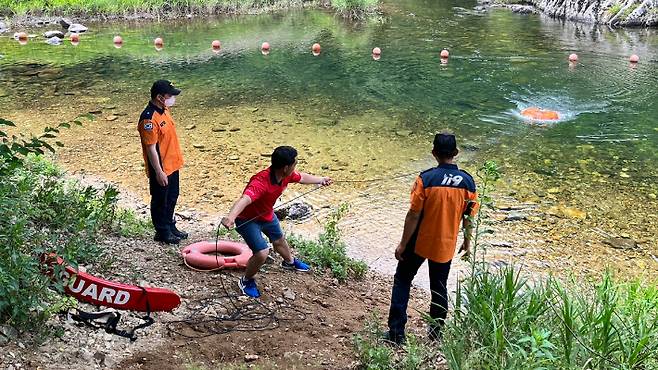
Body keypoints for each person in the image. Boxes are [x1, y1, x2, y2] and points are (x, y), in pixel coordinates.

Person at [384, 133, 478, 344]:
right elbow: (469, 217)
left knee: (402, 281)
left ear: (434, 153)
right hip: (445, 244)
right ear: (456, 153)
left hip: (419, 242)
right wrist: (467, 241)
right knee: (439, 287)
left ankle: (396, 334)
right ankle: (436, 335)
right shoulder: (468, 182)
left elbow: (414, 214)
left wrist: (402, 244)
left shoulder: (425, 179)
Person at [221, 146, 332, 298]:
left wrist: (321, 179)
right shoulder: (260, 181)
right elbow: (245, 199)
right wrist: (231, 217)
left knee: (279, 240)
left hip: (267, 215)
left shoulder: (286, 175)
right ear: (286, 167)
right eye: (295, 164)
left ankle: (289, 262)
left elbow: (302, 177)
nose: (295, 167)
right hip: (248, 220)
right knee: (262, 253)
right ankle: (246, 280)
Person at [137, 80, 187, 245]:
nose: (172, 98)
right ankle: (162, 231)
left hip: (173, 164)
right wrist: (158, 172)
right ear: (159, 97)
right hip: (161, 167)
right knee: (160, 200)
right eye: (170, 95)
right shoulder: (148, 119)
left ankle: (170, 225)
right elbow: (151, 148)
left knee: (172, 196)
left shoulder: (164, 110)